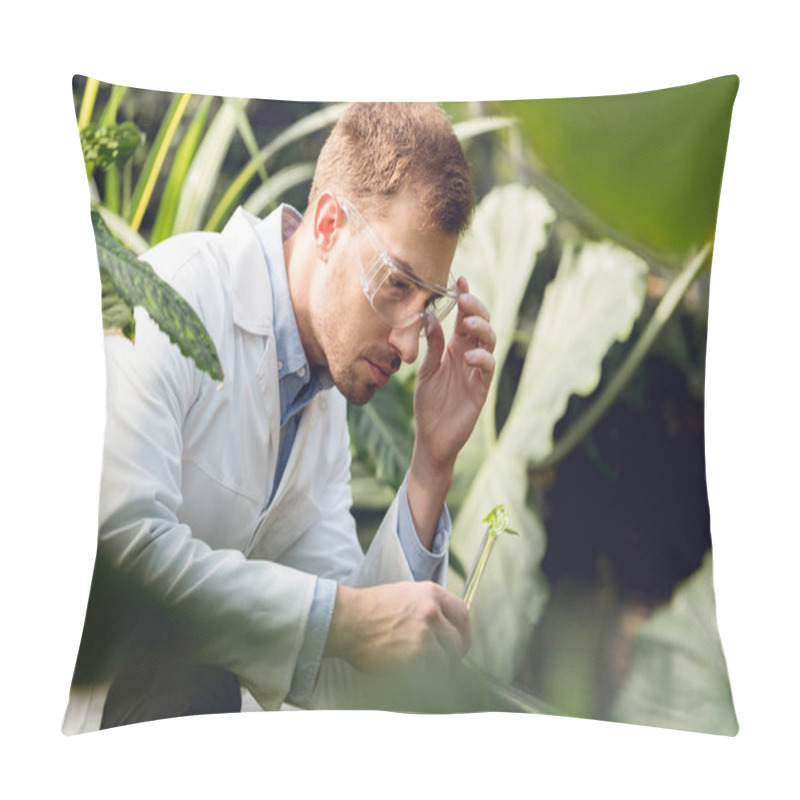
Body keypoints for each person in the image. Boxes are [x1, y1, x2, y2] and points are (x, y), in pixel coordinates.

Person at [64, 102, 497, 731]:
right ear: (327, 226)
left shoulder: (320, 409)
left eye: (427, 303)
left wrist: (432, 465)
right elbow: (119, 565)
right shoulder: (173, 300)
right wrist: (346, 620)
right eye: (396, 283)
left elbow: (339, 676)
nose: (408, 345)